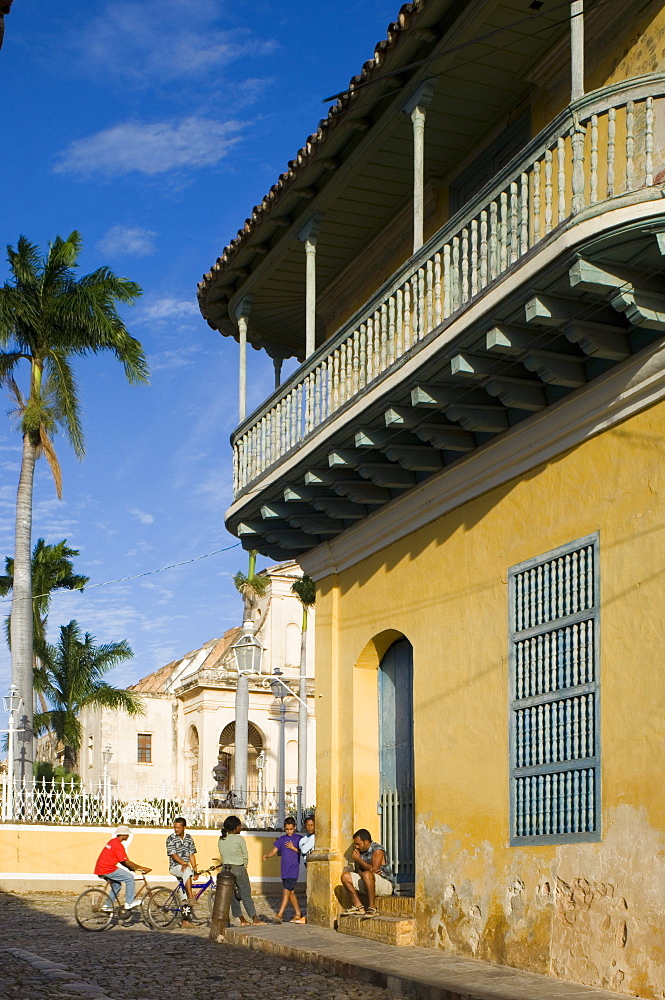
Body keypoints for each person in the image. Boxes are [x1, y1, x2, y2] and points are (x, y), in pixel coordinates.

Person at [93, 824, 151, 910]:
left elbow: (122, 861)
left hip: (100, 868)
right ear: (123, 834)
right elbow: (126, 861)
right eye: (127, 834)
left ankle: (107, 906)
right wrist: (142, 868)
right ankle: (129, 902)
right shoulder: (118, 845)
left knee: (117, 886)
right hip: (108, 869)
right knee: (130, 878)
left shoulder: (112, 842)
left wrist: (130, 868)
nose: (128, 836)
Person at [340, 828, 395, 916]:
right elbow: (358, 871)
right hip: (368, 881)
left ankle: (372, 908)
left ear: (366, 841)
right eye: (355, 844)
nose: (356, 846)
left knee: (367, 874)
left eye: (358, 844)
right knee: (345, 876)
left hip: (385, 885)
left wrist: (359, 859)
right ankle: (359, 907)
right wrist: (366, 871)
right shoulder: (359, 851)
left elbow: (373, 870)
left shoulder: (377, 849)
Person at [218, 815, 261, 926]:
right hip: (238, 868)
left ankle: (242, 920)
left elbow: (223, 855)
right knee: (246, 894)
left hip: (226, 869)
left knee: (232, 897)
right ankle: (255, 919)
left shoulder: (222, 839)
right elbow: (245, 855)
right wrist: (244, 867)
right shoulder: (239, 839)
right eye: (239, 826)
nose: (240, 828)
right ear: (236, 827)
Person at [262, 816, 306, 922]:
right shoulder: (282, 839)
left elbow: (302, 851)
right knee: (291, 893)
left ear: (294, 827)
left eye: (291, 829)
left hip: (293, 870)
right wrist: (267, 855)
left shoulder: (299, 838)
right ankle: (298, 913)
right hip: (284, 871)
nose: (289, 831)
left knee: (286, 891)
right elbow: (274, 850)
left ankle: (279, 915)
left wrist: (293, 848)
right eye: (287, 829)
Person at [166, 817, 198, 925]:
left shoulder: (189, 838)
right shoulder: (170, 839)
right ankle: (191, 897)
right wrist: (183, 863)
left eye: (179, 828)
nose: (176, 830)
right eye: (175, 827)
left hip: (186, 868)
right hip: (175, 866)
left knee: (183, 891)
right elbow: (173, 854)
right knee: (187, 871)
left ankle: (185, 920)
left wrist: (195, 869)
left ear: (184, 827)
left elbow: (192, 854)